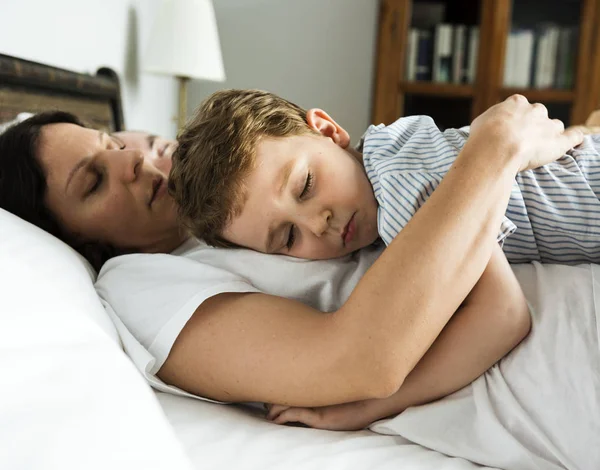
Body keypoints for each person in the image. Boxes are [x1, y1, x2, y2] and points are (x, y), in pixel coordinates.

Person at [0, 99, 582, 414]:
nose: (129, 160)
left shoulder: (369, 180)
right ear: (81, 243)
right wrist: (494, 148)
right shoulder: (136, 284)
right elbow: (359, 361)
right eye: (94, 181)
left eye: (110, 142)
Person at [169, 89, 600, 268]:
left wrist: (365, 409)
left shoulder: (400, 204)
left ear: (328, 131)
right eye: (287, 239)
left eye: (305, 186)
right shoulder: (389, 140)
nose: (317, 224)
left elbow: (498, 318)